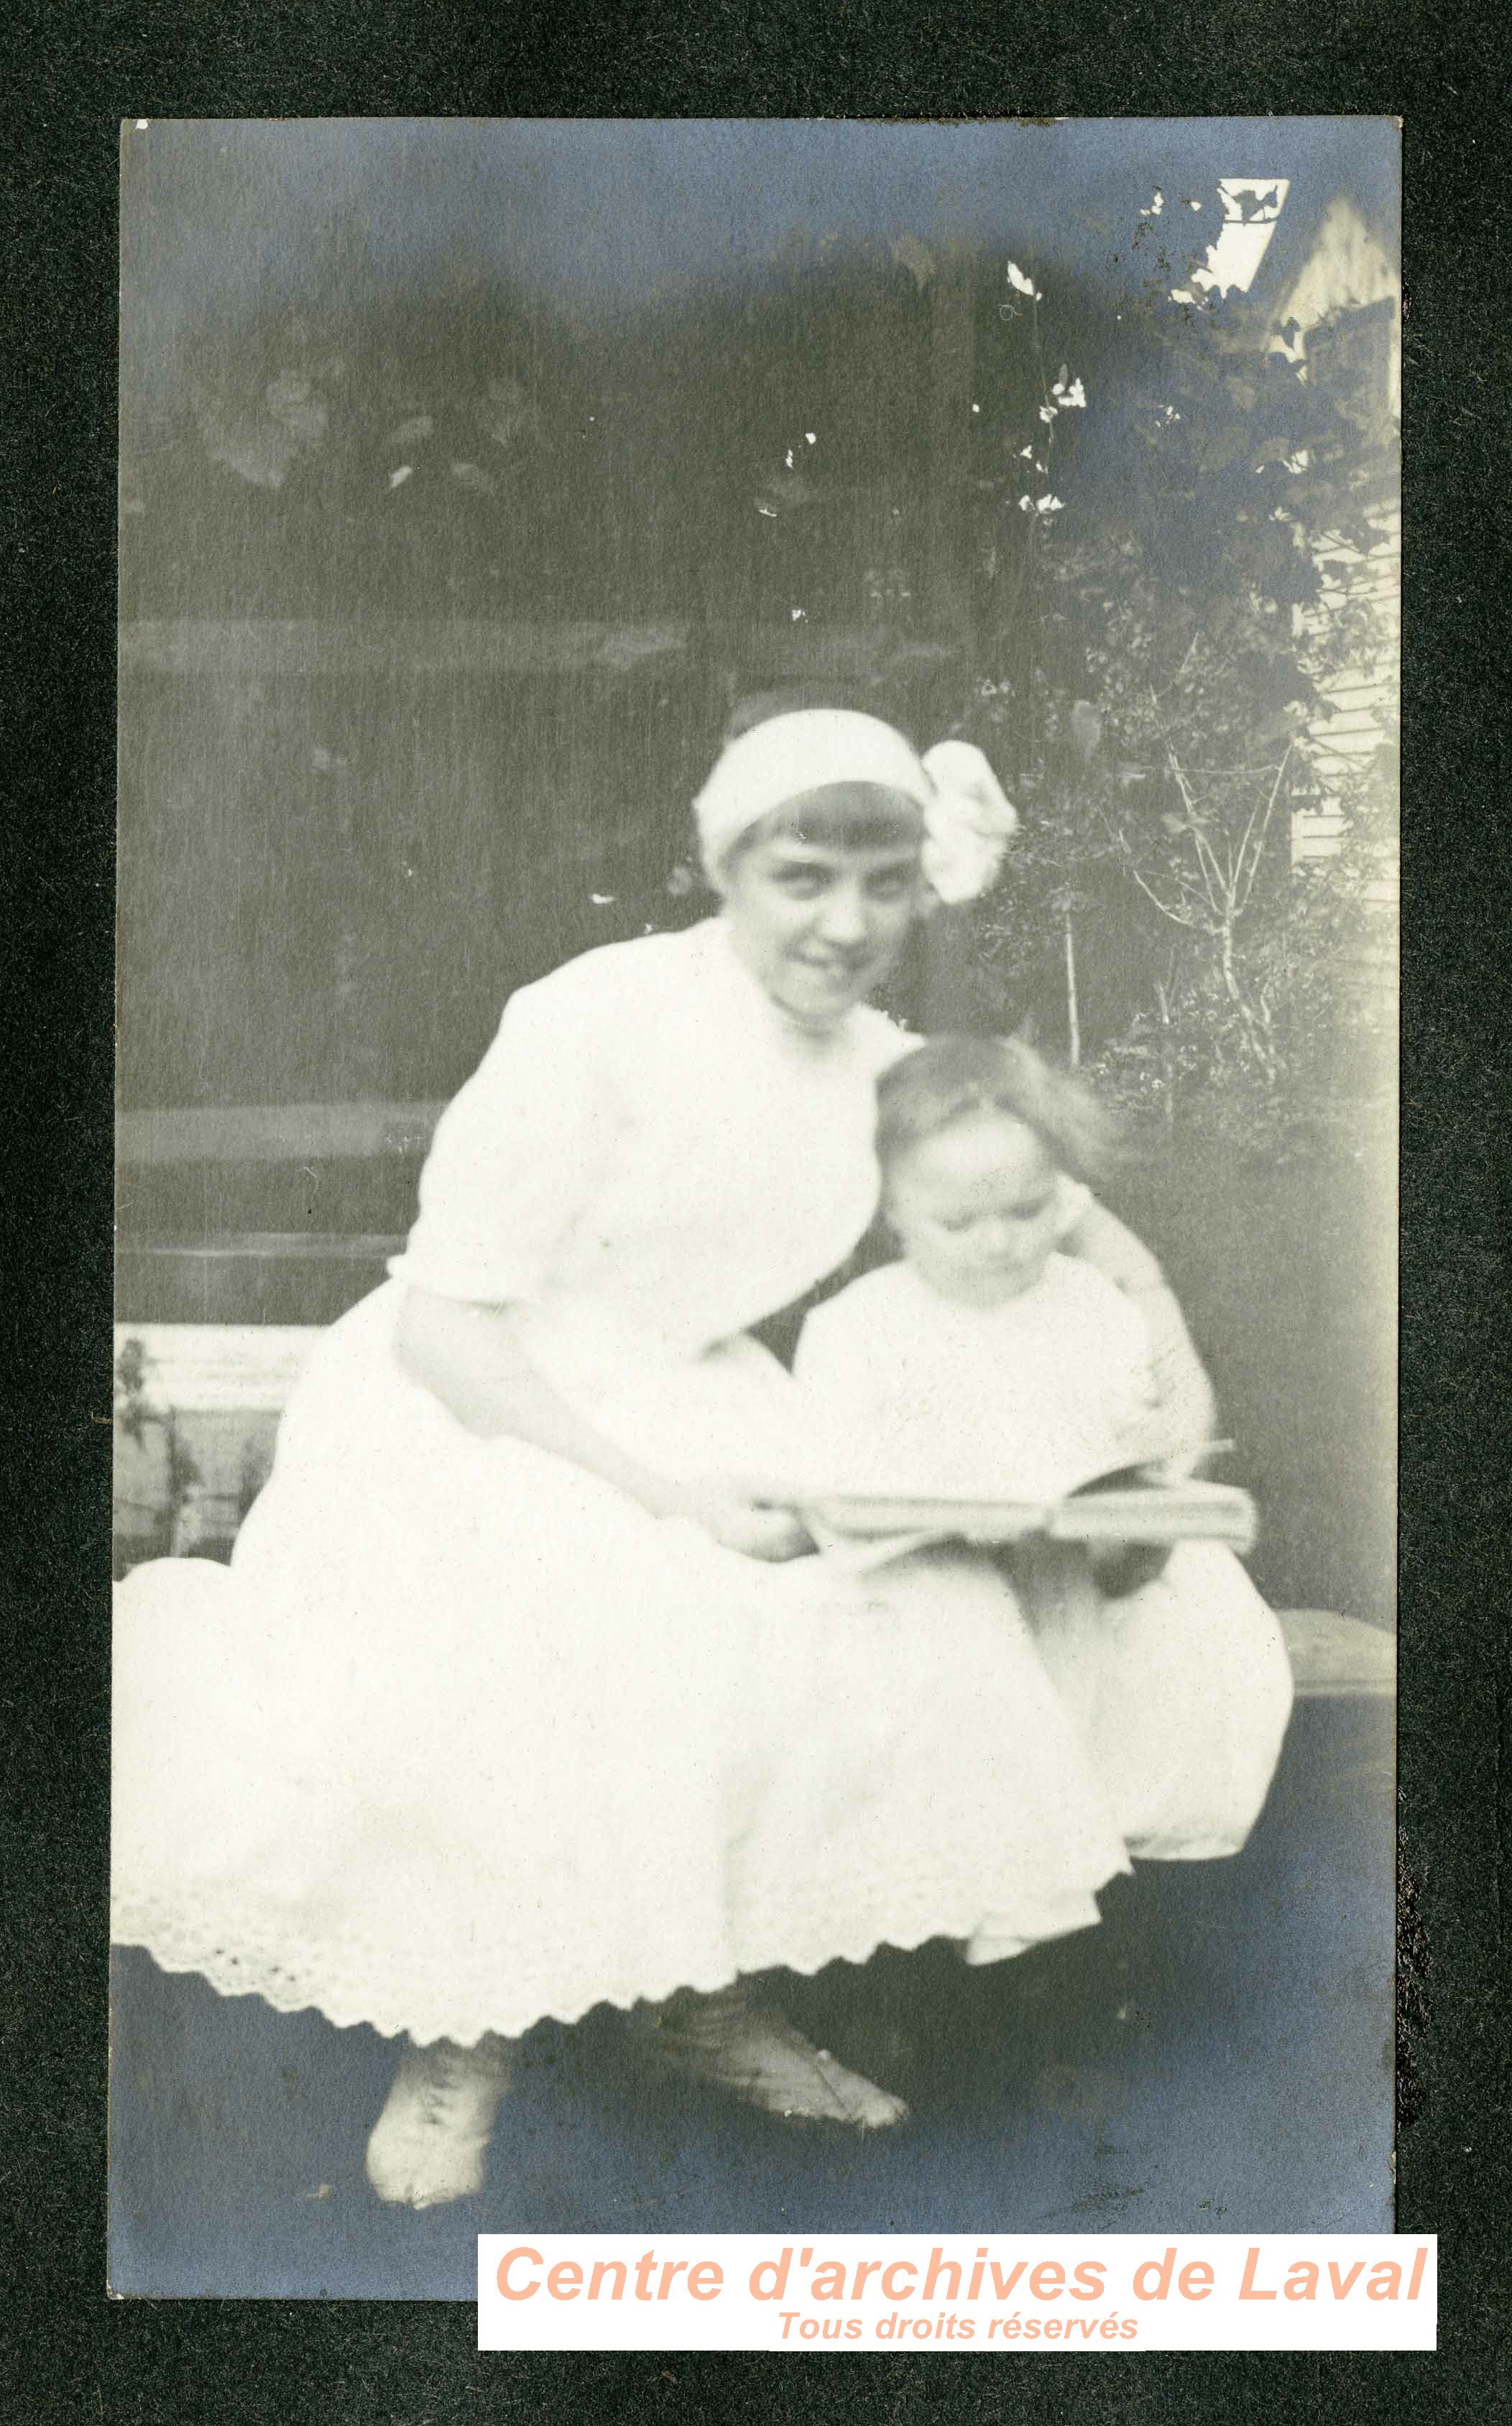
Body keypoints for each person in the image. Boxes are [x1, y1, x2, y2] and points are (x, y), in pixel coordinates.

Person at [111, 698, 1246, 2213]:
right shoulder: (596, 1017)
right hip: (478, 1405)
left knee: (905, 1616)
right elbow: (449, 1327)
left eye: (884, 883)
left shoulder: (880, 1064)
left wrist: (1165, 1334)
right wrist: (661, 1495)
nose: (845, 925)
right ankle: (467, 2034)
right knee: (576, 1629)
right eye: (802, 879)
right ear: (724, 868)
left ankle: (696, 1987)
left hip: (702, 1395)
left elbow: (1052, 1193)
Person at [794, 1033, 1294, 1892]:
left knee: (1189, 1658)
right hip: (933, 1570)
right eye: (959, 1221)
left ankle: (1101, 1870)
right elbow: (839, 1477)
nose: (997, 1242)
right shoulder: (857, 1325)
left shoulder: (1090, 1302)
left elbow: (1126, 1441)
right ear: (891, 1211)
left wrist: (1133, 1500)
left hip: (1089, 1573)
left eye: (1026, 1211)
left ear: (1061, 1195)